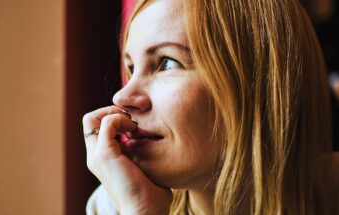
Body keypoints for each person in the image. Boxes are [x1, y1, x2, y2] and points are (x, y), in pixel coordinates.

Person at [82, 0, 338, 214]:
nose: (121, 97)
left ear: (257, 82)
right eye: (131, 69)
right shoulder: (113, 204)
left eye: (167, 63)